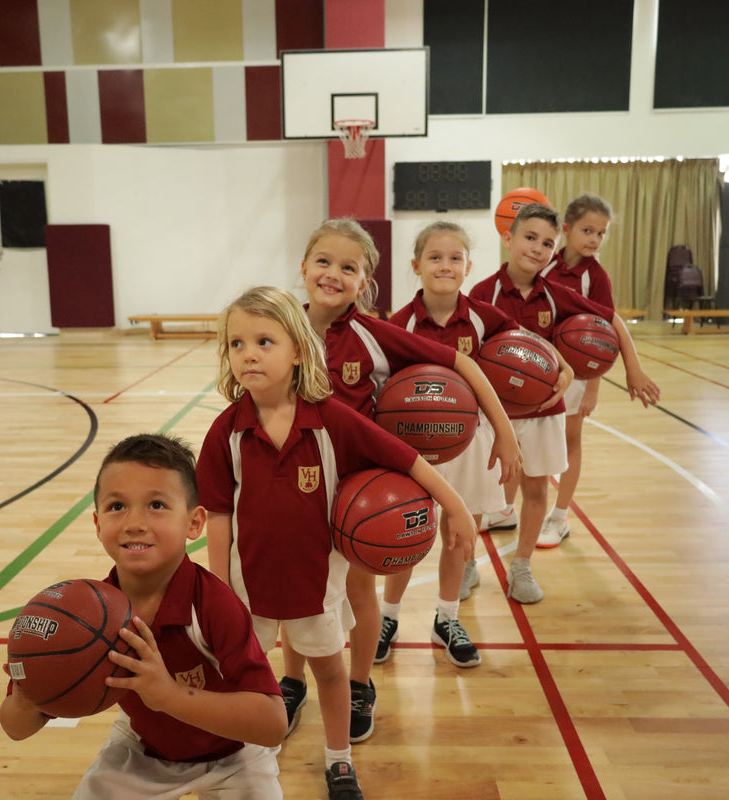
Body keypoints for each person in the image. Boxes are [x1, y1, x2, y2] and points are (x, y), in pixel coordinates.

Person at [196, 286, 481, 800]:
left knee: (331, 675)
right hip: (247, 590)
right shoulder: (226, 431)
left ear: (298, 350)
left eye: (264, 341)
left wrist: (456, 505)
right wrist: (221, 589)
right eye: (237, 344)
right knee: (244, 680)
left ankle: (338, 759)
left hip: (317, 588)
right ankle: (245, 757)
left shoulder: (330, 419)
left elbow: (405, 458)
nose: (248, 354)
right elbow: (218, 515)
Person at [279, 220, 520, 742]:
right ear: (304, 267)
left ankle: (359, 684)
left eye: (348, 267)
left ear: (364, 282)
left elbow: (463, 364)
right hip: (295, 482)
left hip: (357, 490)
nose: (333, 274)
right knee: (299, 591)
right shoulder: (281, 327)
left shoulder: (374, 334)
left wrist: (504, 432)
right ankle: (291, 681)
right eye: (323, 261)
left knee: (359, 591)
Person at [0, 433, 287, 800]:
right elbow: (16, 729)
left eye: (156, 504)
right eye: (117, 506)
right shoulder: (83, 615)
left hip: (235, 753)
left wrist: (169, 696)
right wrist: (26, 699)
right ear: (97, 523)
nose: (134, 522)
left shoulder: (214, 605)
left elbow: (272, 724)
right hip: (144, 748)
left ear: (194, 523)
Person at [468, 202, 655, 603]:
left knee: (536, 489)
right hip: (495, 413)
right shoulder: (484, 293)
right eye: (530, 238)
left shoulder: (556, 295)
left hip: (543, 411)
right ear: (508, 238)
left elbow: (611, 320)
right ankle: (466, 563)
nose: (537, 248)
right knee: (478, 492)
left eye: (547, 243)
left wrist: (632, 368)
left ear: (555, 249)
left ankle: (521, 566)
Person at [377, 221, 521, 666]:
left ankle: (447, 617)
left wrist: (561, 368)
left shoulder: (483, 318)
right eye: (435, 257)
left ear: (468, 267)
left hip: (469, 441)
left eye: (455, 258)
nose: (445, 265)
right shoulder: (399, 324)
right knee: (404, 535)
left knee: (459, 537)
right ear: (416, 265)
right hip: (412, 447)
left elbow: (526, 350)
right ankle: (388, 616)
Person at [537, 193, 658, 547]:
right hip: (541, 368)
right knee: (531, 441)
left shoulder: (597, 277)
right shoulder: (544, 264)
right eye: (587, 230)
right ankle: (509, 510)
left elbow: (604, 334)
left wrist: (592, 388)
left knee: (570, 440)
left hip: (577, 375)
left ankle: (559, 516)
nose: (594, 239)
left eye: (601, 233)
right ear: (566, 229)